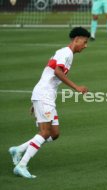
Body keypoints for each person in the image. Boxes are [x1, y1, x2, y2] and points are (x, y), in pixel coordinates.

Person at [8, 27, 90, 178]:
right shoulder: (65, 53)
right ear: (76, 39)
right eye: (84, 42)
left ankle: (18, 149)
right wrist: (76, 87)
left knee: (55, 133)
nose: (85, 46)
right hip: (44, 95)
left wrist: (36, 101)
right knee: (45, 132)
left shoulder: (67, 54)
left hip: (45, 96)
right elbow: (57, 72)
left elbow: (47, 73)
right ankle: (22, 165)